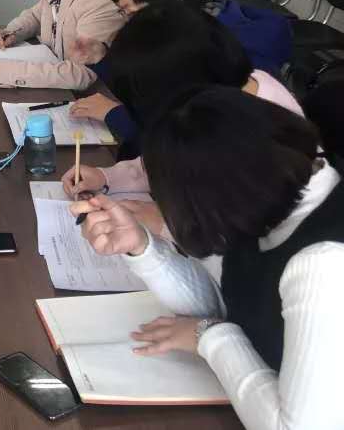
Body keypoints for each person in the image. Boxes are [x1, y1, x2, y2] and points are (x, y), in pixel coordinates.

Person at [71, 89, 344, 430]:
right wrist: (140, 247)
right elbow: (221, 304)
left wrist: (210, 338)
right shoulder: (267, 196)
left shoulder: (324, 264)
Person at [61, 3, 303, 234]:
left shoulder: (263, 136)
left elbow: (241, 243)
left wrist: (163, 224)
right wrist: (106, 177)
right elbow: (166, 160)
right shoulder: (227, 94)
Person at [69, 0, 292, 149]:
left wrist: (114, 114)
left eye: (133, 13)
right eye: (123, 12)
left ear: (174, 4)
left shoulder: (229, 55)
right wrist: (102, 58)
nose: (129, 25)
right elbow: (145, 91)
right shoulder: (184, 36)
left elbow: (189, 144)